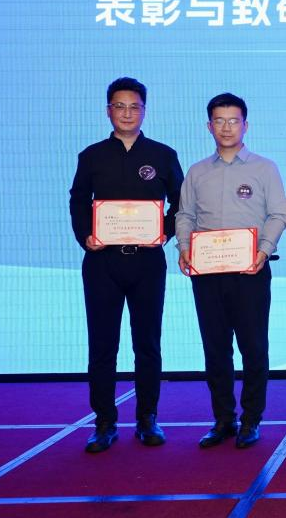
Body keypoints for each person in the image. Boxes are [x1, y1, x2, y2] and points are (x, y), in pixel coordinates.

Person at [69, 77, 184, 453]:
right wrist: (86, 235)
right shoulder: (91, 156)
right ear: (108, 111)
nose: (127, 113)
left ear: (144, 111)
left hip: (148, 262)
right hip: (102, 262)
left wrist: (165, 231)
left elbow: (181, 201)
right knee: (103, 344)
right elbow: (78, 200)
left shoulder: (163, 155)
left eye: (134, 106)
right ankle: (104, 422)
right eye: (119, 106)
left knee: (147, 343)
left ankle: (147, 418)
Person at [176, 93, 286, 449]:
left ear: (245, 125)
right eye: (219, 121)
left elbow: (278, 214)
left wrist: (264, 250)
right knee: (216, 349)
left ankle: (251, 419)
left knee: (254, 348)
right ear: (209, 126)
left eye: (233, 121)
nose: (226, 127)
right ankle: (223, 419)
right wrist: (184, 248)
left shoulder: (264, 168)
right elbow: (184, 215)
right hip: (207, 274)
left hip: (251, 272)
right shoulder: (197, 172)